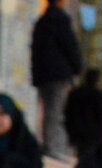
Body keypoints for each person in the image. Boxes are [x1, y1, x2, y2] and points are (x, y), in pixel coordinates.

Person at [30, 0, 82, 158]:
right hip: (58, 75)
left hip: (44, 76)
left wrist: (36, 76)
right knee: (56, 112)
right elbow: (70, 46)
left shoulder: (41, 22)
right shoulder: (61, 20)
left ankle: (49, 145)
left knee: (48, 111)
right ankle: (52, 148)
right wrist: (77, 67)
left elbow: (35, 51)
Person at [64, 68, 102, 159]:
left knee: (82, 154)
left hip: (77, 131)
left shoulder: (75, 93)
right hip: (92, 134)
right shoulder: (98, 96)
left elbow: (68, 112)